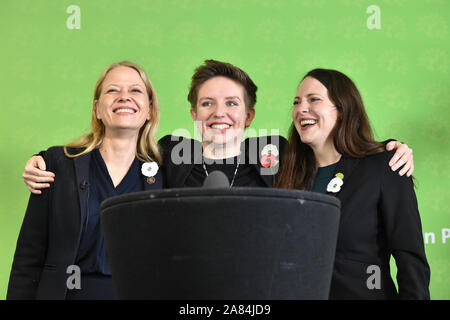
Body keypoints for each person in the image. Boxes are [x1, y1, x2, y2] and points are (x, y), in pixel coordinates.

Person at [22, 60, 415, 191]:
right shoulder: (172, 153)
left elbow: (330, 150)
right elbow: (117, 147)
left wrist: (388, 148)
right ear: (193, 113)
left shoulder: (275, 151)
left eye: (231, 104)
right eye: (207, 104)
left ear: (249, 116)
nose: (219, 113)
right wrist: (44, 159)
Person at [7, 61, 163, 300]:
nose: (124, 97)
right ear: (97, 110)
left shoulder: (164, 174)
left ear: (149, 109)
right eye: (112, 90)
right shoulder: (57, 164)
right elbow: (29, 257)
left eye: (135, 90)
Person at [277, 68, 430, 299]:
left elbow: (411, 259)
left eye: (314, 100)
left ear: (342, 108)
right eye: (296, 102)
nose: (301, 109)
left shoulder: (385, 167)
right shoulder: (282, 171)